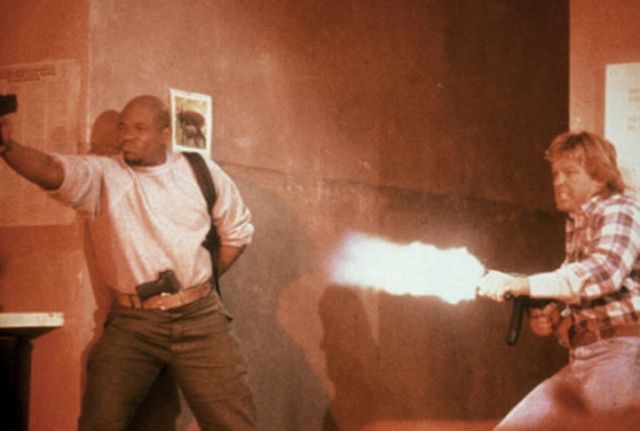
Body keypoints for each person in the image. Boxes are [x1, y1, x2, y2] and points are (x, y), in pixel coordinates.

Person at [0, 95, 258, 430]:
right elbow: (52, 171)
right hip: (133, 323)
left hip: (201, 319)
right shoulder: (104, 174)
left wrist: (196, 284)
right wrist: (8, 149)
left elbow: (237, 233)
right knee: (100, 421)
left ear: (165, 134)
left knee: (234, 423)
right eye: (123, 128)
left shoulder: (200, 171)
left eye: (139, 128)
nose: (127, 136)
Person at [478, 131, 640, 430]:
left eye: (570, 172)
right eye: (555, 174)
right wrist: (556, 317)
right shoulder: (579, 225)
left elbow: (606, 271)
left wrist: (525, 284)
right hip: (586, 359)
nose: (558, 181)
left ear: (599, 177)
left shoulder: (619, 209)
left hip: (621, 355)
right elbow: (579, 292)